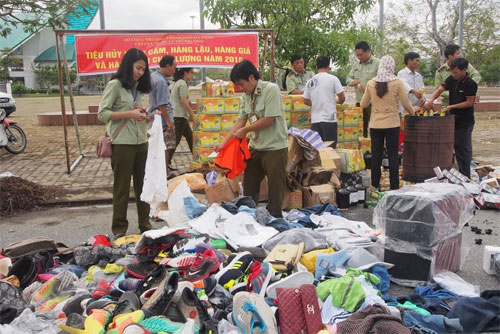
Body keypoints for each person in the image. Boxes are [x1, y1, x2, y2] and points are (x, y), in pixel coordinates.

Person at [217, 60, 288, 218]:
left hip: (275, 147)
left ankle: (275, 219)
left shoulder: (271, 90)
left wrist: (246, 130)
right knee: (249, 186)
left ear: (251, 78)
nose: (241, 89)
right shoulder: (246, 97)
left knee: (275, 188)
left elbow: (269, 119)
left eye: (242, 84)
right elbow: (240, 121)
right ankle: (248, 217)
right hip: (256, 147)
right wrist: (224, 143)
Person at [97, 48, 152, 236]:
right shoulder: (115, 85)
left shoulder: (137, 89)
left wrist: (146, 116)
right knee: (121, 188)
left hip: (141, 142)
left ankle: (145, 225)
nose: (140, 72)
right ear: (128, 65)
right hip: (122, 144)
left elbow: (136, 114)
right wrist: (130, 113)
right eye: (138, 68)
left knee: (143, 187)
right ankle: (119, 229)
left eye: (143, 69)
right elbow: (102, 114)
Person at [360, 55, 415, 190]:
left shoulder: (371, 84)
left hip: (375, 125)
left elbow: (363, 103)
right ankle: (394, 186)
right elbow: (406, 103)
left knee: (376, 156)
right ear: (392, 67)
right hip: (392, 124)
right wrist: (413, 112)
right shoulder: (397, 83)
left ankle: (374, 185)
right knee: (393, 156)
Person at [424, 58, 478, 178]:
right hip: (452, 119)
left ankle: (466, 176)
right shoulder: (451, 79)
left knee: (463, 147)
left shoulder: (471, 84)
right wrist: (431, 100)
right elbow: (440, 90)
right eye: (452, 72)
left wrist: (451, 106)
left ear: (464, 70)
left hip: (465, 121)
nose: (454, 74)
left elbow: (469, 102)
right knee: (451, 145)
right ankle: (452, 174)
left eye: (456, 72)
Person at [303, 55, 345, 145]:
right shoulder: (333, 79)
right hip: (329, 119)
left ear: (316, 67)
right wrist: (335, 102)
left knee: (318, 149)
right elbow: (342, 98)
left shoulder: (310, 81)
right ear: (328, 66)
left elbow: (305, 100)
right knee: (330, 149)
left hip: (315, 120)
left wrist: (315, 103)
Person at [148, 55, 177, 177]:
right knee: (165, 146)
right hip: (163, 119)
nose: (174, 71)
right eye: (174, 67)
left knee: (159, 145)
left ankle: (161, 170)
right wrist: (168, 121)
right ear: (167, 66)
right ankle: (165, 172)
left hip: (156, 117)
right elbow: (162, 105)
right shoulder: (161, 82)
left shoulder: (154, 77)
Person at [347, 42, 380, 137]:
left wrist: (370, 88)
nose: (359, 57)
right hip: (360, 101)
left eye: (360, 54)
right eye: (357, 55)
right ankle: (364, 148)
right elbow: (348, 78)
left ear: (368, 52)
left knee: (375, 126)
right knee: (361, 126)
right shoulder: (356, 65)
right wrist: (352, 82)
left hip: (373, 102)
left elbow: (383, 82)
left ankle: (376, 148)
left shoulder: (378, 63)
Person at [170, 67, 195, 162]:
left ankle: (197, 158)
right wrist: (192, 114)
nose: (192, 75)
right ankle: (166, 162)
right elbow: (183, 100)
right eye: (191, 73)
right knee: (175, 141)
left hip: (179, 116)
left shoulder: (177, 83)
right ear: (186, 72)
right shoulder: (183, 83)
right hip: (180, 116)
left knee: (190, 138)